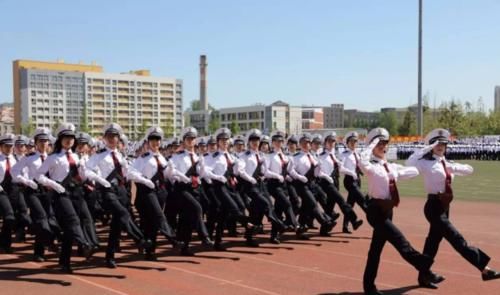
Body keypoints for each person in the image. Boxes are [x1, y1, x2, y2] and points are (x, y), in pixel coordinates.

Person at [406, 128, 500, 288]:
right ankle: (484, 269)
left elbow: (470, 170)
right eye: (437, 144)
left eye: (443, 144)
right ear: (431, 145)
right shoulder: (425, 163)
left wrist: (452, 167)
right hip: (433, 206)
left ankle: (423, 276)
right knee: (457, 239)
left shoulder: (447, 163)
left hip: (444, 206)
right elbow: (409, 163)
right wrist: (426, 149)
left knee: (432, 243)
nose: (441, 146)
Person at [360, 127, 434, 295]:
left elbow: (413, 171)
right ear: (372, 146)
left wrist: (423, 152)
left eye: (385, 143)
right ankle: (425, 266)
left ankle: (368, 287)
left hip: (387, 210)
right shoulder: (370, 166)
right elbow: (362, 163)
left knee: (375, 250)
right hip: (375, 211)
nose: (383, 147)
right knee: (401, 242)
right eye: (379, 144)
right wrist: (370, 146)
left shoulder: (391, 167)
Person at [86, 123, 152, 268]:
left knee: (116, 225)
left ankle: (110, 257)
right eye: (109, 136)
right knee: (122, 213)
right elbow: (86, 171)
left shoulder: (121, 156)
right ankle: (139, 238)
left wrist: (142, 178)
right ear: (104, 138)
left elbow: (128, 173)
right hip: (106, 191)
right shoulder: (99, 155)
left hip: (121, 191)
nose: (112, 139)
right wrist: (99, 179)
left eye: (115, 136)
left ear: (118, 139)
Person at [36, 123, 97, 273]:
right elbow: (38, 176)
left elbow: (82, 178)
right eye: (66, 137)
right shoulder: (53, 157)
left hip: (76, 192)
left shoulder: (77, 157)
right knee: (73, 220)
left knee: (80, 221)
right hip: (61, 194)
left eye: (71, 137)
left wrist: (83, 168)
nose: (69, 140)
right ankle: (84, 244)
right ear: (60, 139)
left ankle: (64, 261)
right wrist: (54, 185)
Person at [340, 131, 367, 234]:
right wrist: (351, 172)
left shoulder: (357, 154)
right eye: (351, 141)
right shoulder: (344, 154)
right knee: (363, 201)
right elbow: (340, 168)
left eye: (355, 141)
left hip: (357, 180)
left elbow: (360, 166)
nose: (354, 143)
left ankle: (346, 226)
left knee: (350, 204)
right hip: (349, 180)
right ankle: (377, 223)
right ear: (347, 143)